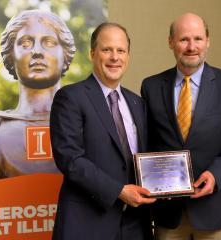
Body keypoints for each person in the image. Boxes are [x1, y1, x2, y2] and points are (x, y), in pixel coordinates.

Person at [141, 13, 221, 240]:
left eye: (198, 39)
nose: (192, 47)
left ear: (208, 41)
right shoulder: (151, 86)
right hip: (168, 214)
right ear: (171, 42)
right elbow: (147, 142)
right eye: (183, 39)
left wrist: (215, 175)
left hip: (217, 210)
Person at [50, 22, 156, 240]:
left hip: (135, 225)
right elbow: (70, 159)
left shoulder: (137, 103)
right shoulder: (70, 98)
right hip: (88, 223)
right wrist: (119, 191)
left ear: (128, 56)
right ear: (92, 53)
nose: (114, 57)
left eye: (121, 50)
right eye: (107, 50)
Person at [0, 9, 76, 183]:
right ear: (11, 55)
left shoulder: (89, 125)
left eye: (49, 42)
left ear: (65, 54)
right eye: (25, 43)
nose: (37, 51)